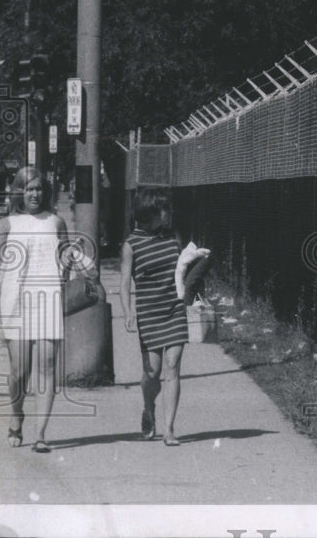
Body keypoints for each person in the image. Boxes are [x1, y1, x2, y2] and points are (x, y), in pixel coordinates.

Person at [0, 166, 69, 453]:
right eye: (29, 188)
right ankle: (16, 415)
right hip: (14, 299)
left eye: (39, 188)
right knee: (20, 371)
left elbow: (65, 255)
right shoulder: (6, 224)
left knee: (47, 366)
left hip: (47, 298)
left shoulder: (56, 222)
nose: (35, 194)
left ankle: (41, 434)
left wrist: (71, 259)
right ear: (19, 191)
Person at [119, 188, 188, 446]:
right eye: (164, 209)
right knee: (152, 372)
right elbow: (125, 283)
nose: (169, 214)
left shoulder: (173, 236)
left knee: (173, 366)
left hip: (174, 309)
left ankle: (169, 429)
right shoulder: (131, 245)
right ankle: (149, 407)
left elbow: (185, 270)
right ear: (152, 212)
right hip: (149, 313)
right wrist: (128, 312)